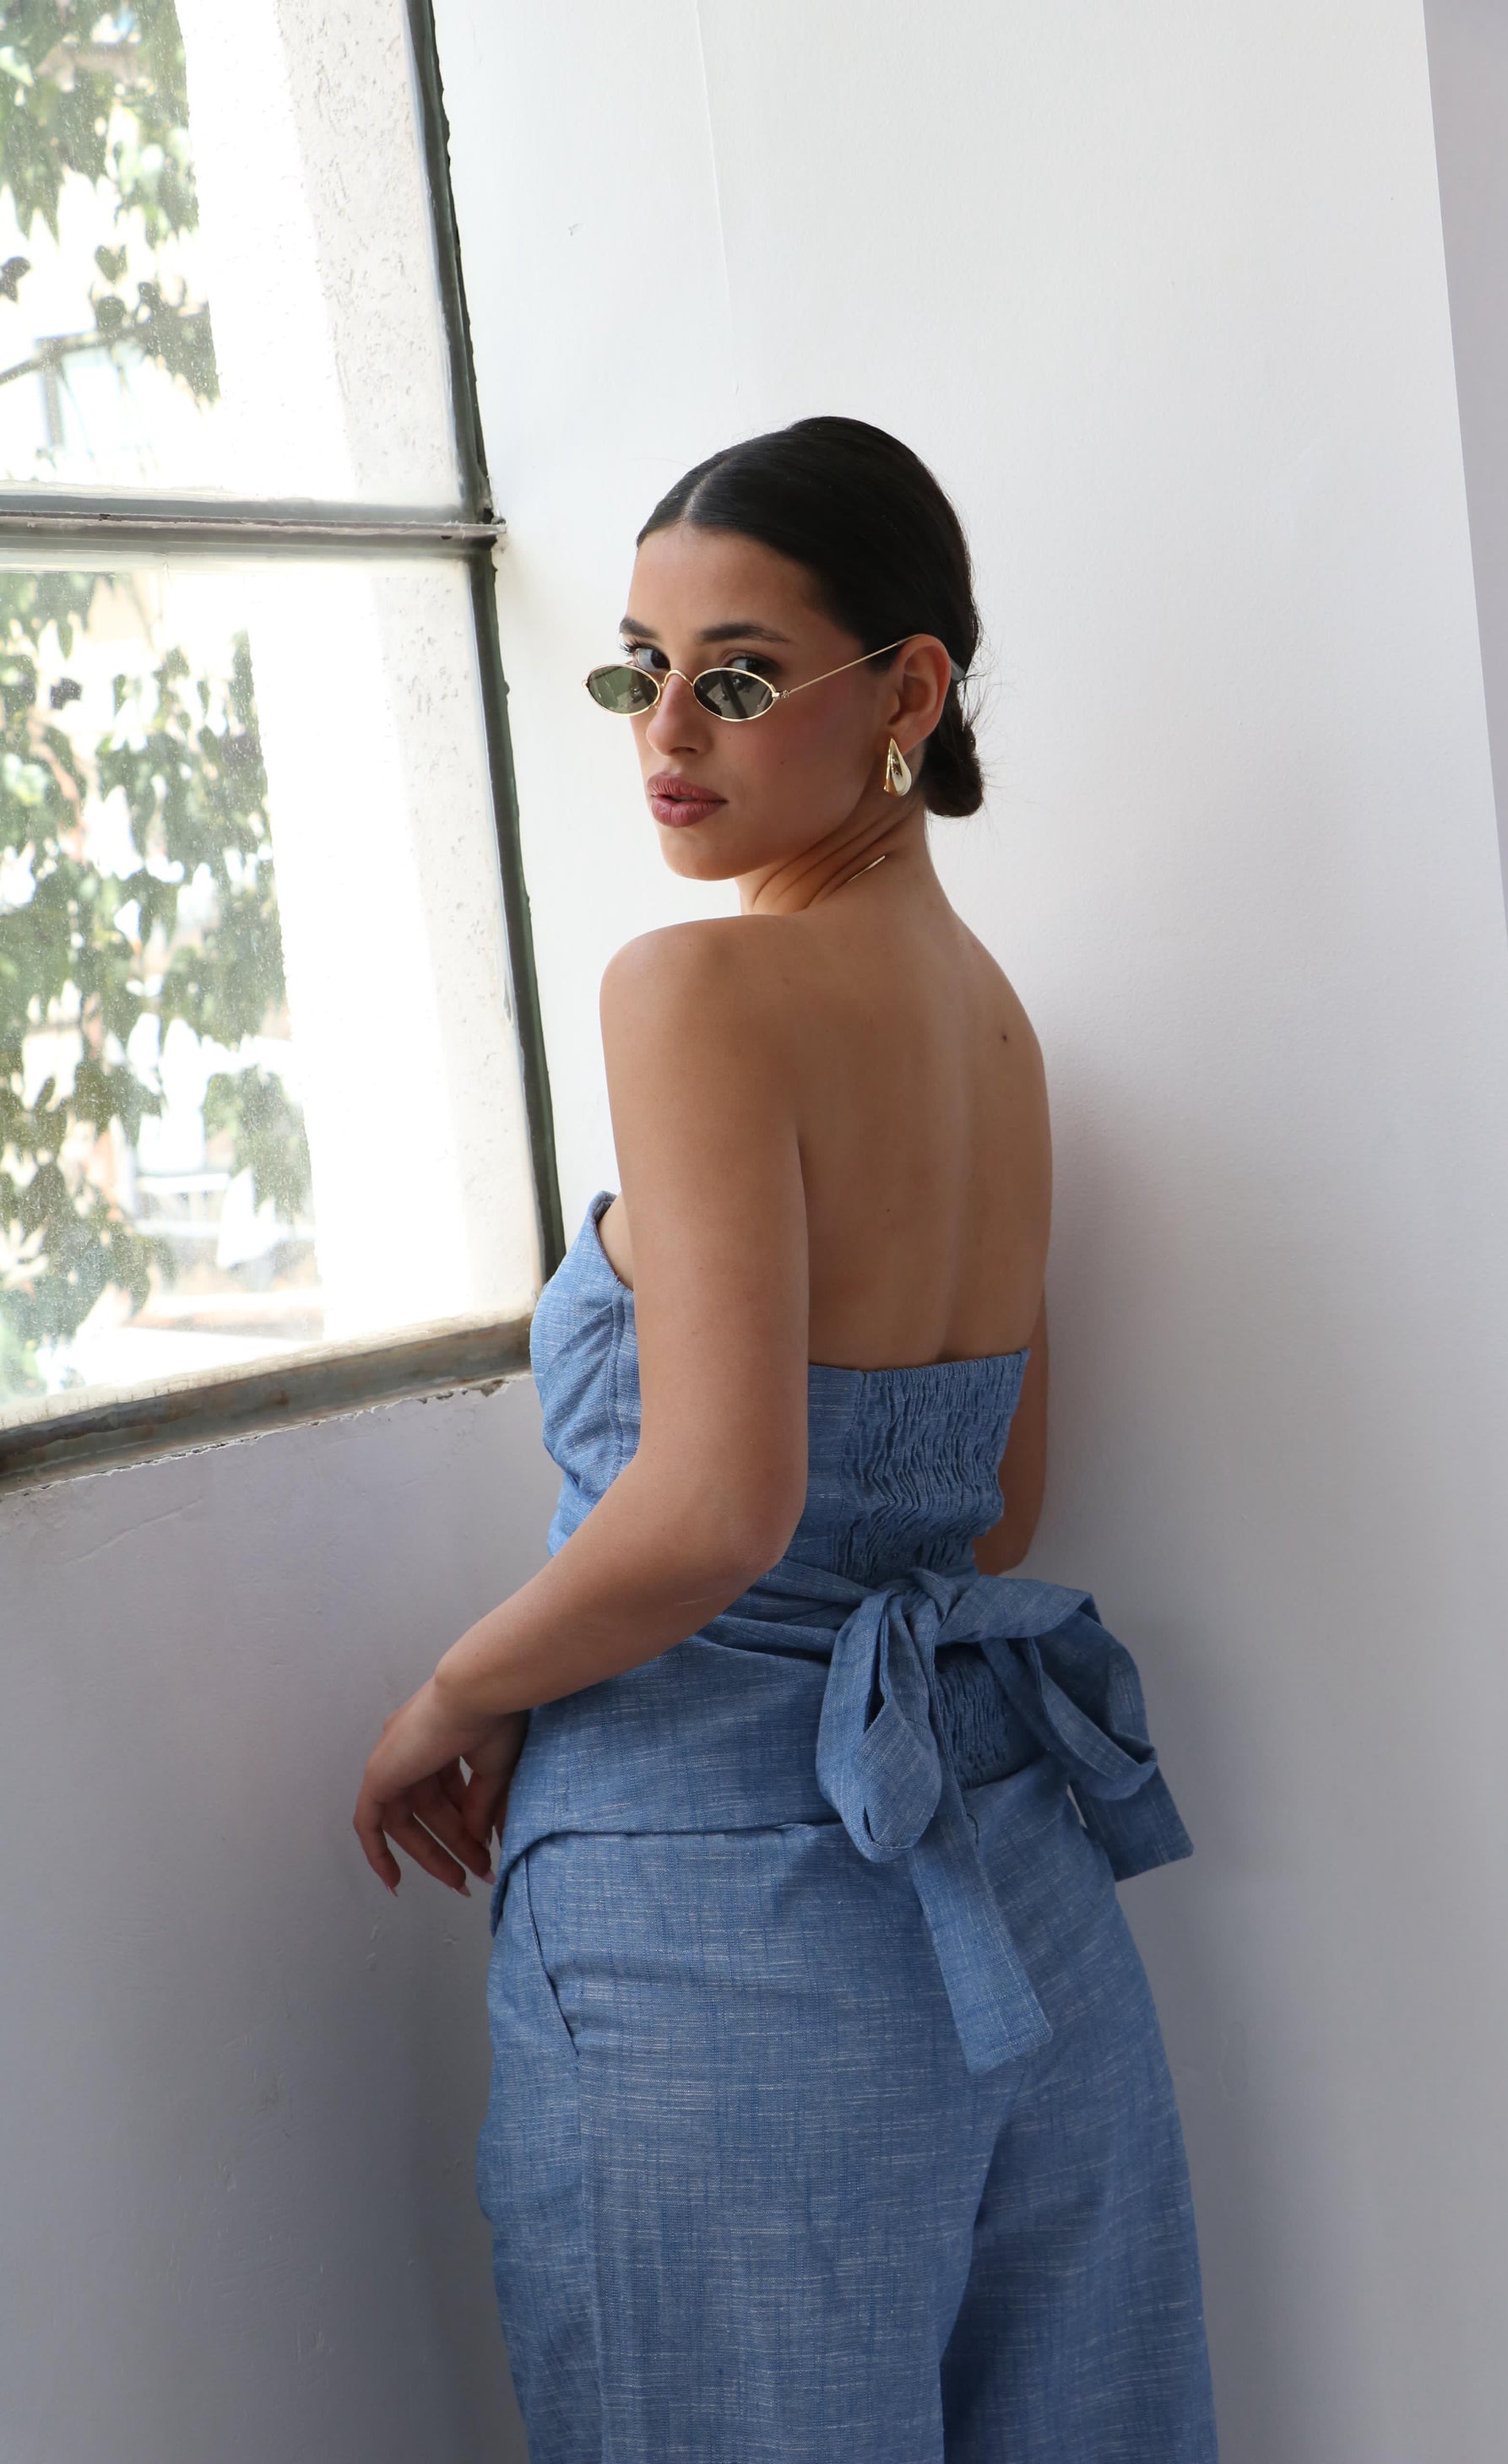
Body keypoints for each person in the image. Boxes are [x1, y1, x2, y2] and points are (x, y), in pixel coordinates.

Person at [352, 414, 1218, 2462]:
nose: (667, 730)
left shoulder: (696, 991)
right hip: (1013, 1900)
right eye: (637, 671)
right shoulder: (995, 1022)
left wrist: (456, 1692)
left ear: (906, 692)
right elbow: (990, 1510)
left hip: (714, 1918)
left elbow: (719, 1501)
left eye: (736, 677)